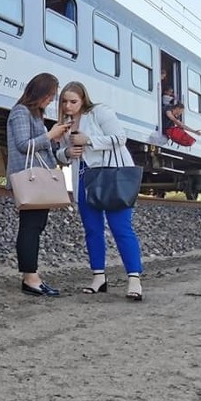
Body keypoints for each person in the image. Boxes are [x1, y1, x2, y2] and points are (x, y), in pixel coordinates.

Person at [56, 81, 144, 301]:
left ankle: (134, 279)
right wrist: (67, 152)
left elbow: (120, 138)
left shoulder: (100, 113)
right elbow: (59, 153)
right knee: (92, 229)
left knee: (121, 227)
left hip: (111, 178)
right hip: (84, 180)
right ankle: (98, 277)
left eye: (73, 101)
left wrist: (89, 141)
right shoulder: (64, 124)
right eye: (64, 102)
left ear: (83, 99)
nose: (68, 106)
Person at [6, 72, 69, 297]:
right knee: (30, 228)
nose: (51, 100)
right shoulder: (20, 112)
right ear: (39, 92)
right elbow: (24, 145)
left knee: (35, 227)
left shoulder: (35, 115)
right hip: (29, 178)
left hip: (36, 177)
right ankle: (31, 278)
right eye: (50, 95)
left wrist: (57, 141)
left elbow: (40, 147)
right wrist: (50, 135)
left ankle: (31, 277)